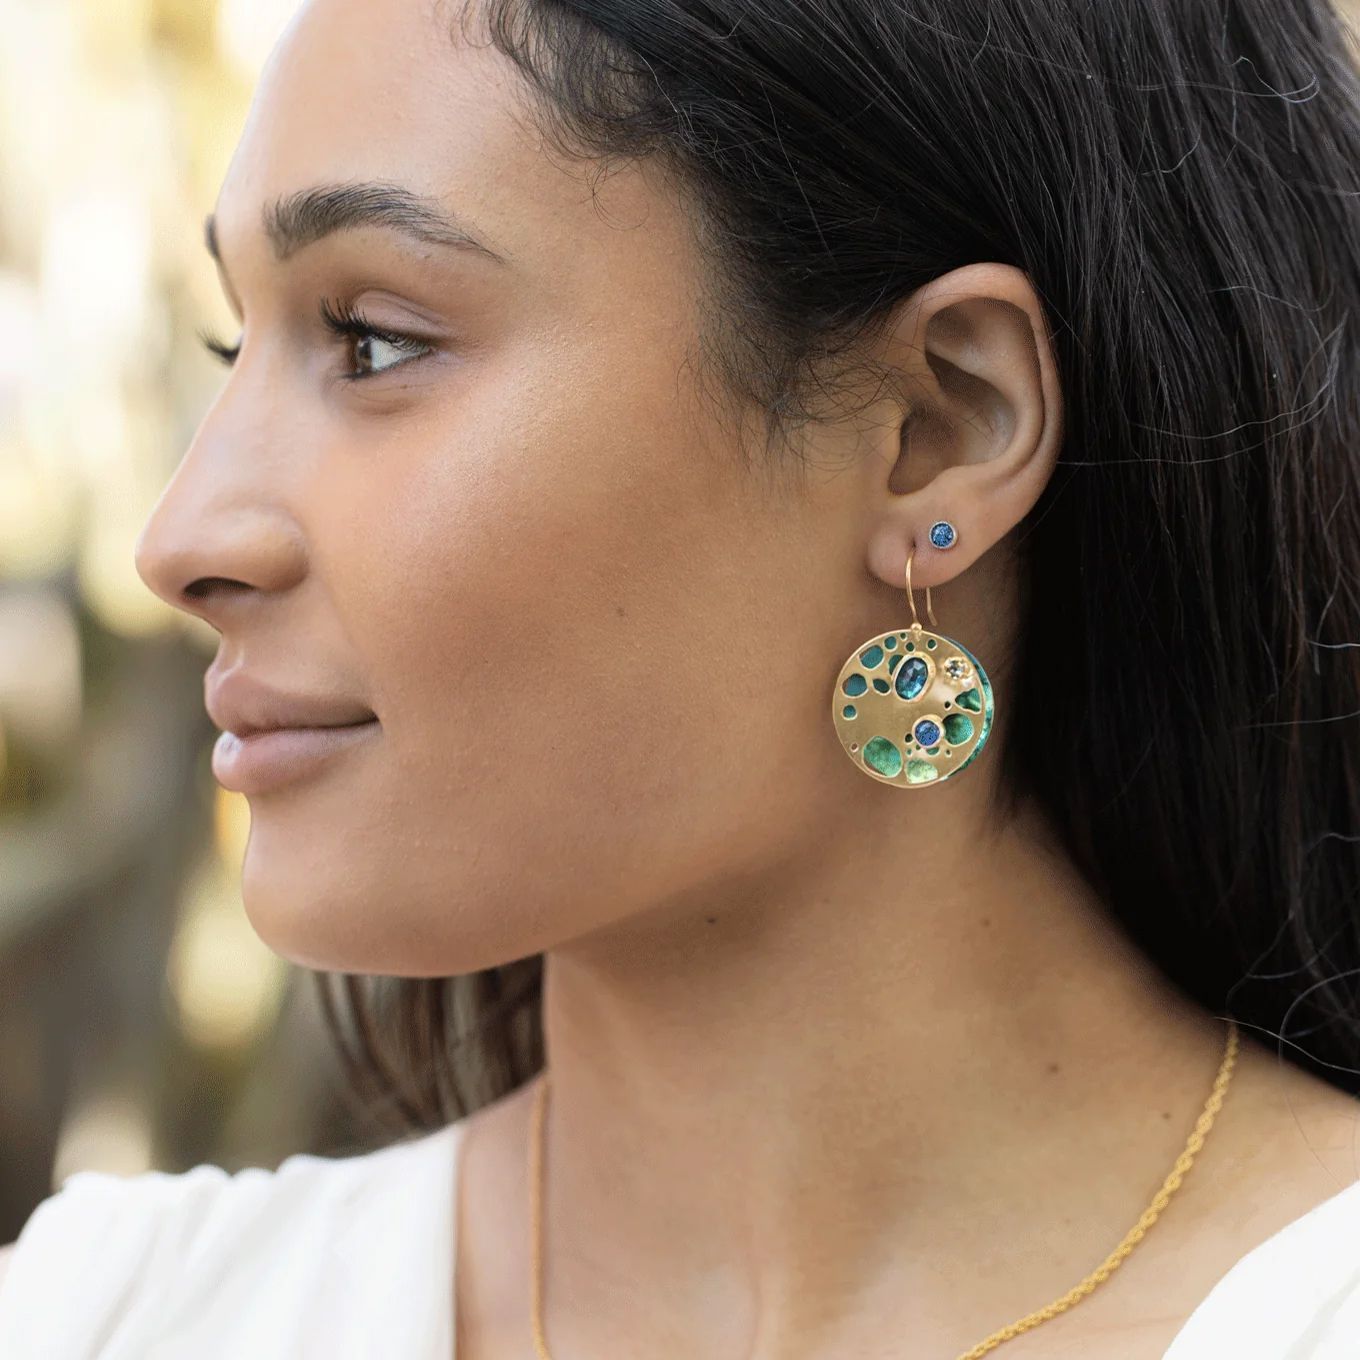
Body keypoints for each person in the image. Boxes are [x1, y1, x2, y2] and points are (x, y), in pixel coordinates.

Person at [3, 0, 1360, 1354]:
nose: (178, 543)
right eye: (236, 349)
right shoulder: (123, 1318)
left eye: (373, 339)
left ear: (936, 428)